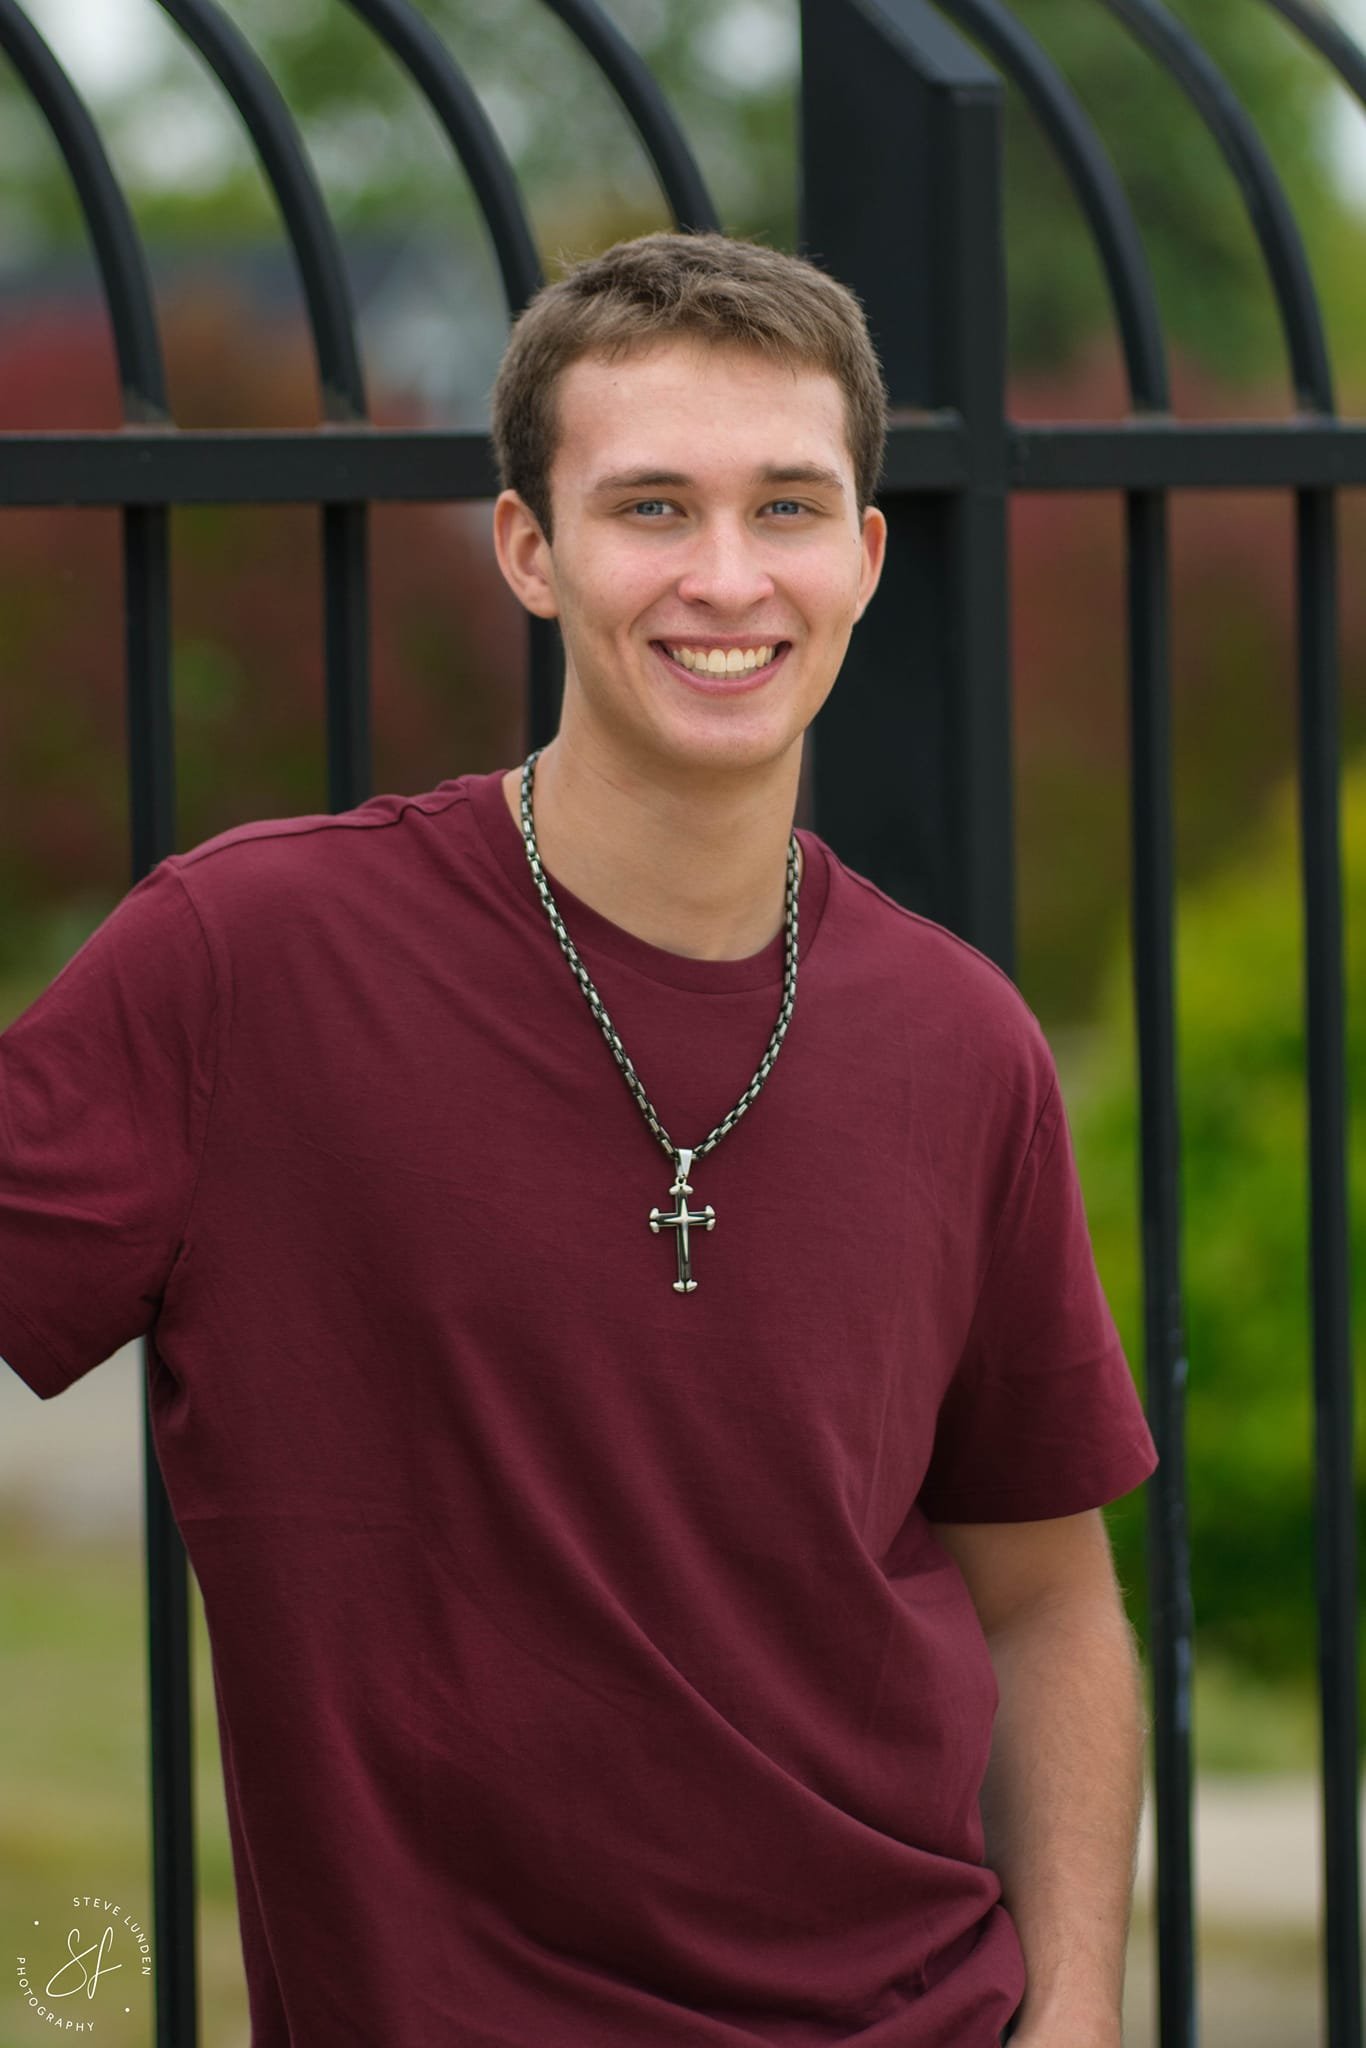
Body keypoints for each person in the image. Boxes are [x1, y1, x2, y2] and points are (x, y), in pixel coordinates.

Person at [0, 230, 1157, 2048]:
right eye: (650, 507)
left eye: (786, 507)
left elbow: (1045, 1600)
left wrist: (1074, 2016)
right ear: (529, 549)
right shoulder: (247, 964)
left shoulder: (962, 1044)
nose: (726, 577)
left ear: (864, 557)